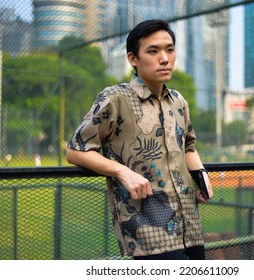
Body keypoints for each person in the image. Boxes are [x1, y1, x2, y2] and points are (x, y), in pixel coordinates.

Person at [66, 19, 213, 260]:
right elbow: (76, 151)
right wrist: (122, 172)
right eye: (153, 51)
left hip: (191, 225)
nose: (164, 58)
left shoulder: (179, 102)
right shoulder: (115, 98)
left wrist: (201, 176)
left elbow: (188, 146)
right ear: (133, 58)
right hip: (149, 233)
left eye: (169, 49)